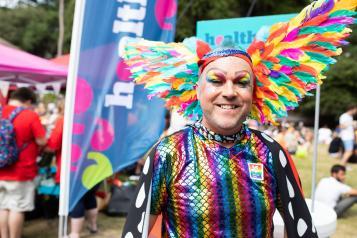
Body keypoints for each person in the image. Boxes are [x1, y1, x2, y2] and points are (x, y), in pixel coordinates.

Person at [121, 1, 356, 237]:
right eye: (216, 80)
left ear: (253, 94)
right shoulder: (169, 152)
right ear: (197, 90)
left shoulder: (271, 151)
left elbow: (302, 230)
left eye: (242, 82)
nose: (230, 92)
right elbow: (135, 232)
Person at [0, 87, 46, 238]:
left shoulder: (1, 111)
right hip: (21, 171)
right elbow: (41, 140)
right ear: (28, 101)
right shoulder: (29, 115)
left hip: (1, 168)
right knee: (17, 208)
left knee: (2, 207)